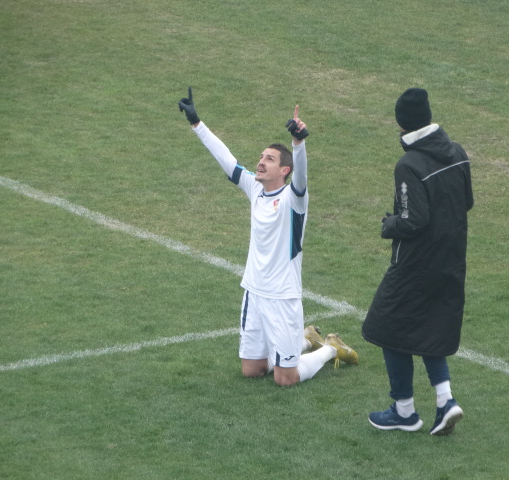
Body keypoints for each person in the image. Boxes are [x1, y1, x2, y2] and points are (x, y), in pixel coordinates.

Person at [178, 87, 358, 387]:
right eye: (261, 156)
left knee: (285, 378)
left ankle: (330, 348)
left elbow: (302, 175)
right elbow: (227, 160)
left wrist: (298, 143)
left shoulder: (294, 199)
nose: (261, 162)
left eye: (270, 159)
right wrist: (197, 124)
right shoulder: (256, 189)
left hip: (283, 297)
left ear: (284, 169)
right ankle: (305, 339)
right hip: (254, 292)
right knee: (252, 371)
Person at [362, 88, 474, 435]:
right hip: (451, 260)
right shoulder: (457, 152)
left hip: (415, 265)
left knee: (385, 326)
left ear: (401, 122)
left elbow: (414, 220)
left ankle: (404, 411)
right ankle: (446, 400)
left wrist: (389, 225)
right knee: (429, 328)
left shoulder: (409, 164)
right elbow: (466, 202)